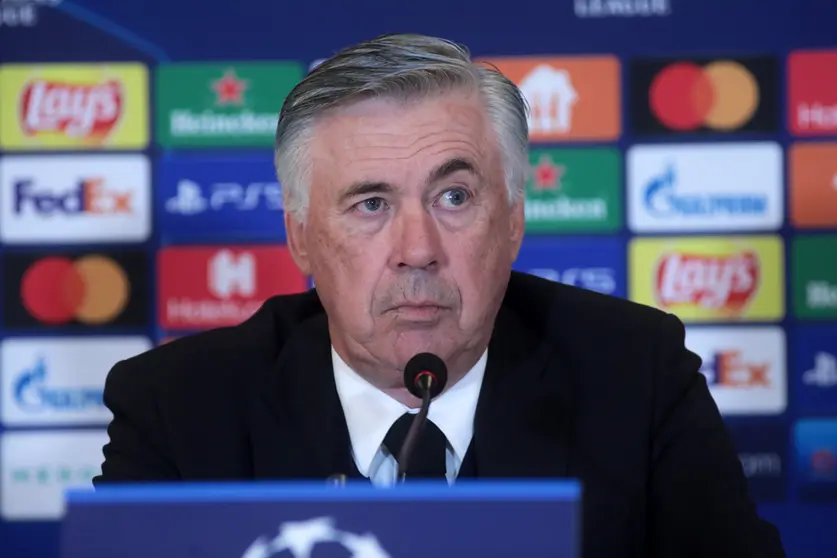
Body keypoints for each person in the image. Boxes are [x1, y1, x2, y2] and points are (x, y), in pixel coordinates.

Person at [95, 33, 786, 557]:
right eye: (370, 204)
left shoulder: (634, 372)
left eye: (453, 196)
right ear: (301, 237)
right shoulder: (177, 407)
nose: (417, 247)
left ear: (512, 220)